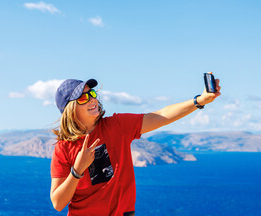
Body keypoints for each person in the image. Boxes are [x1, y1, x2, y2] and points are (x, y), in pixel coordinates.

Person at [50, 78, 221, 216]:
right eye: (83, 98)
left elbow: (162, 116)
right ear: (70, 110)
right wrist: (77, 170)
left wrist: (199, 101)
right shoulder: (63, 148)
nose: (92, 99)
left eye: (92, 93)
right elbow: (58, 203)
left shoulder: (117, 125)